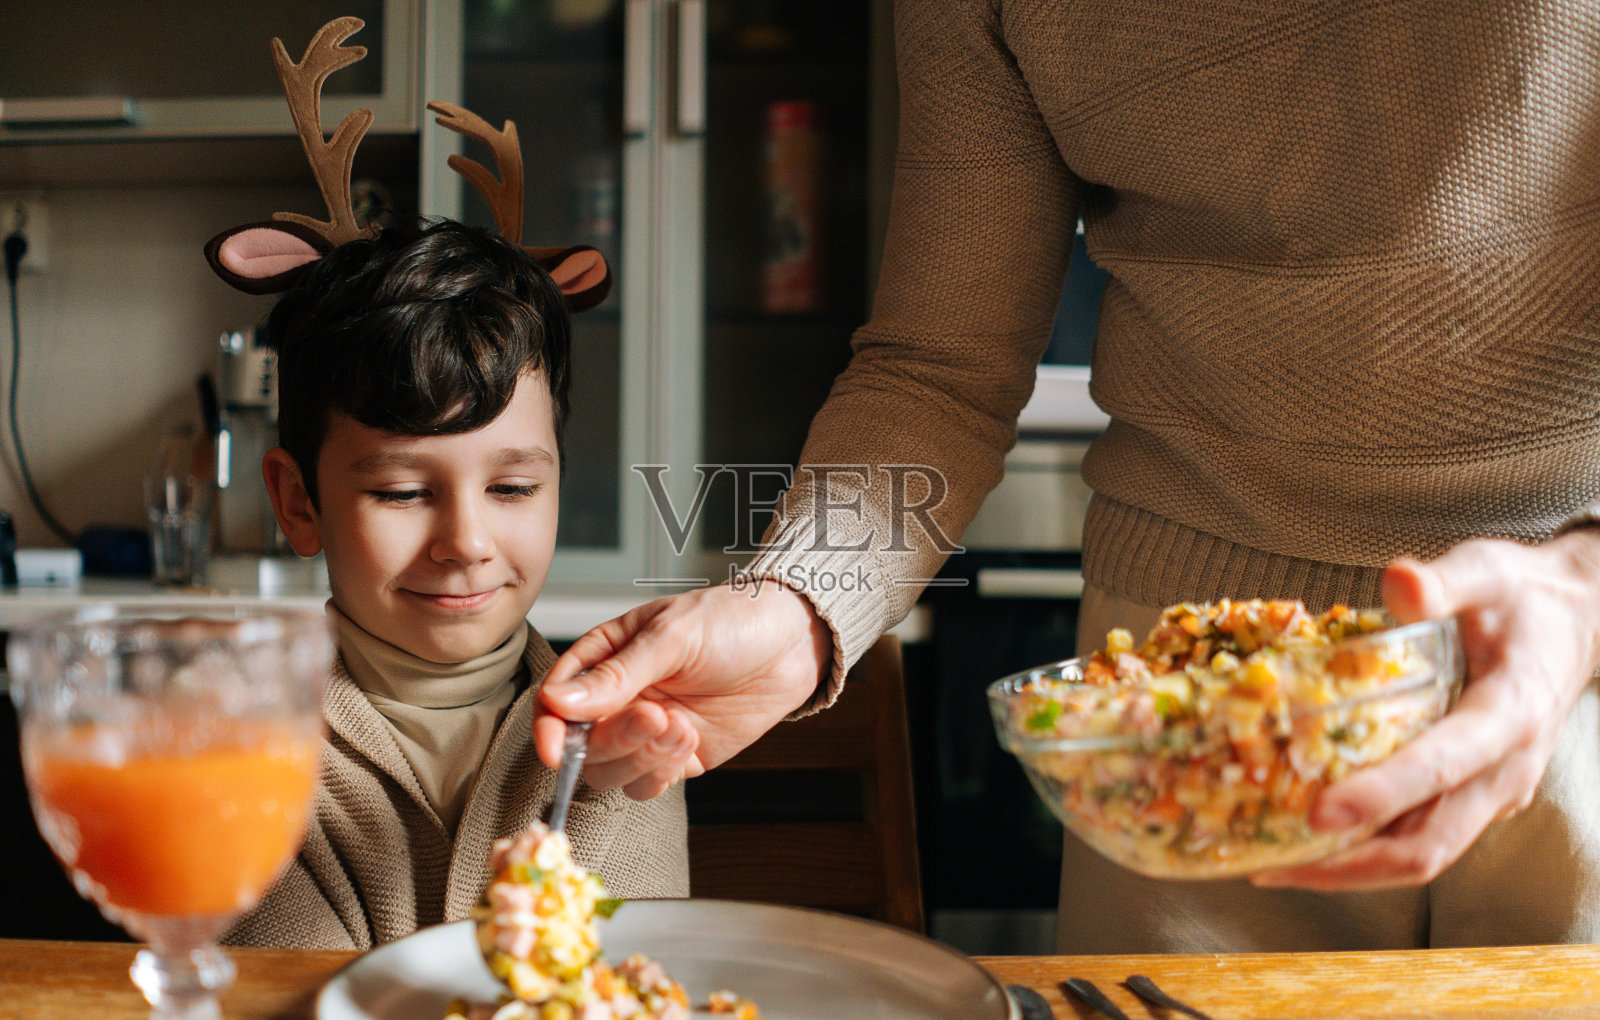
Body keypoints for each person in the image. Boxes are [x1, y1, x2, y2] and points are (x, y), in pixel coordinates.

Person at [536, 0, 1600, 953]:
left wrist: (1580, 590)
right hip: (1180, 693)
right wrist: (796, 602)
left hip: (1571, 648)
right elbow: (941, 369)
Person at [213, 218, 690, 950]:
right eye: (402, 492)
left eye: (513, 486)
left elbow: (613, 1003)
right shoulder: (232, 745)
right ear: (298, 501)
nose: (466, 543)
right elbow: (287, 1012)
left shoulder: (627, 739)